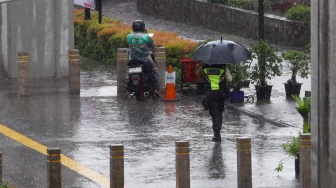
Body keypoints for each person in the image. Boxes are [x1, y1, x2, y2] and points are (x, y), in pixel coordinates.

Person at [126, 20, 160, 96]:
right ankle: (156, 89)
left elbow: (128, 44)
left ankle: (128, 89)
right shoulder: (146, 36)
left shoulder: (128, 36)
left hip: (133, 58)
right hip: (145, 57)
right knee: (154, 70)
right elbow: (153, 45)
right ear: (143, 27)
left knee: (128, 71)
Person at [202, 64, 232, 142]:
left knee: (214, 113)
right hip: (220, 94)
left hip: (211, 94)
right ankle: (217, 132)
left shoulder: (205, 67)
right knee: (219, 112)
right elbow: (230, 79)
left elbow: (204, 79)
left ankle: (216, 133)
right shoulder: (223, 66)